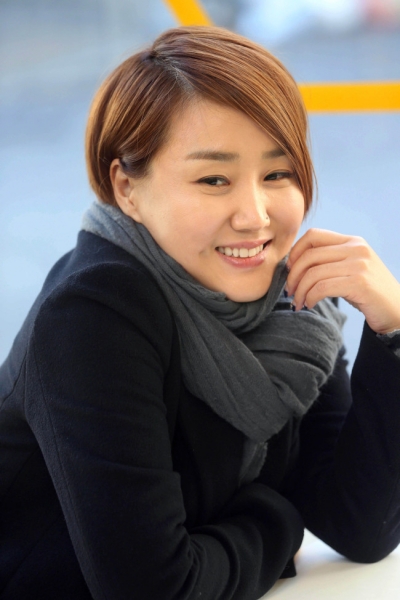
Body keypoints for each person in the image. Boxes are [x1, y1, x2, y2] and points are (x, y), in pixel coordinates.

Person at [1, 25, 400, 600]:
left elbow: (360, 524)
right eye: (214, 179)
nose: (254, 216)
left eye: (277, 174)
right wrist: (278, 519)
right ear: (127, 187)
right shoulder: (94, 312)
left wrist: (392, 331)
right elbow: (157, 589)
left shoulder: (291, 305)